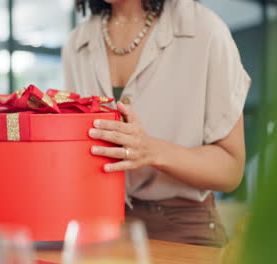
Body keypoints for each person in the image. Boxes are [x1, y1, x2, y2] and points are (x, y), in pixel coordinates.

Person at [62, 0, 251, 247]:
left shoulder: (205, 31)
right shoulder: (76, 44)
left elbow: (230, 169)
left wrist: (151, 150)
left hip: (183, 231)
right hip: (100, 230)